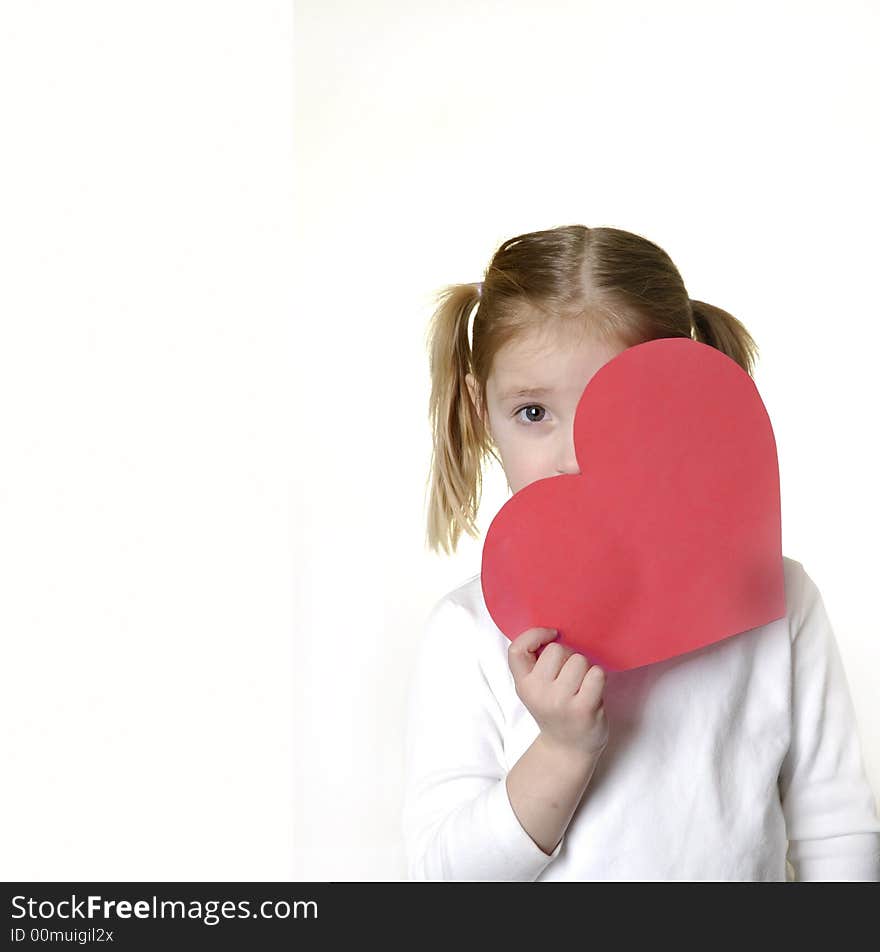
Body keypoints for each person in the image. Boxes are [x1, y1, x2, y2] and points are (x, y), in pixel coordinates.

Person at [401, 223, 880, 881]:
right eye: (534, 412)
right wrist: (563, 751)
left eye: (620, 410)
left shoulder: (777, 599)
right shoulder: (467, 633)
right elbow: (444, 877)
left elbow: (836, 830)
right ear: (485, 411)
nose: (574, 457)